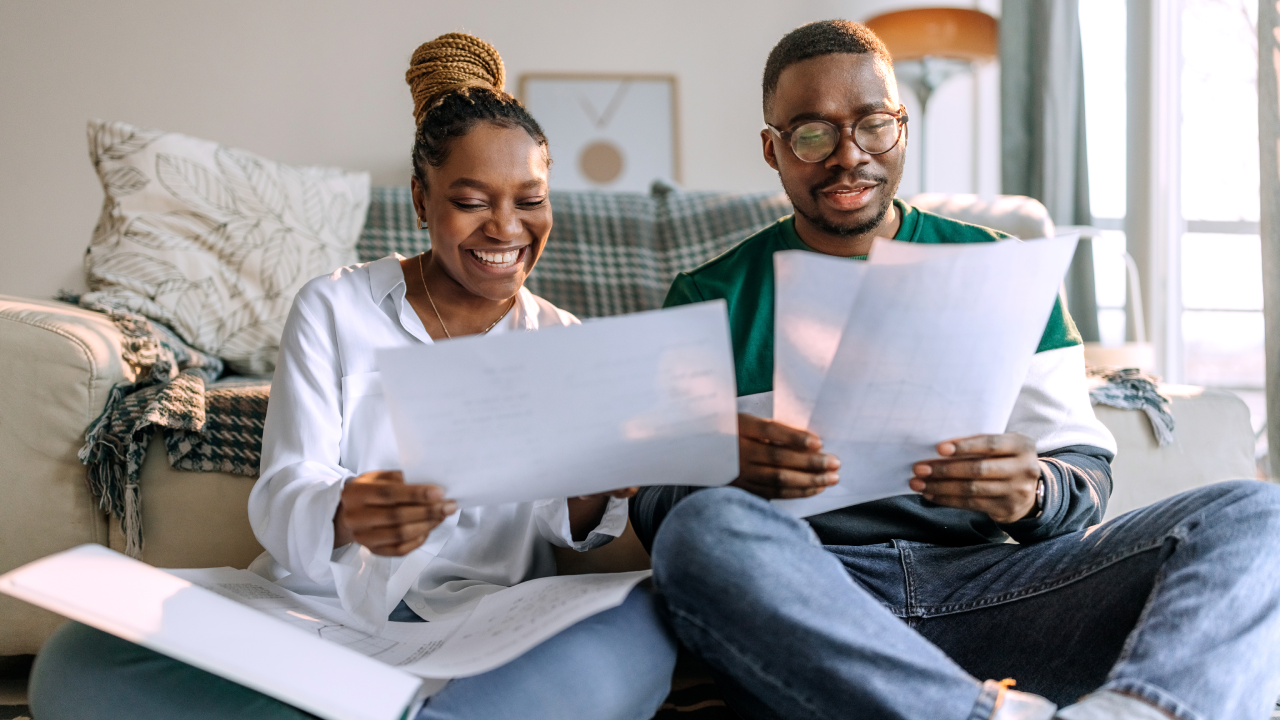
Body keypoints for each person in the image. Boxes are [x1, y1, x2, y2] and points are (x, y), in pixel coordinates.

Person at [633, 20, 1280, 720]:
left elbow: (1084, 476)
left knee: (1257, 514)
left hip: (996, 590)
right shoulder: (709, 297)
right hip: (815, 602)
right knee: (704, 533)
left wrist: (1032, 491)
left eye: (874, 125)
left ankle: (1141, 712)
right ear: (773, 148)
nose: (849, 157)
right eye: (813, 134)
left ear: (902, 129)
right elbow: (653, 508)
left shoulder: (1003, 270)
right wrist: (724, 466)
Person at [29, 33, 676, 720]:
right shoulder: (335, 308)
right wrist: (347, 510)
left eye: (530, 199)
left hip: (485, 627)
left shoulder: (562, 341)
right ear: (422, 202)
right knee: (80, 658)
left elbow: (563, 527)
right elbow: (288, 488)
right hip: (317, 618)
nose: (507, 228)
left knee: (643, 626)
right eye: (472, 200)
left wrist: (595, 487)